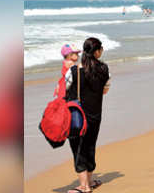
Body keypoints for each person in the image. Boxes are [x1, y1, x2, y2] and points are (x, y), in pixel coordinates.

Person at [65, 37, 111, 193]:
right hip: (95, 114)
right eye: (101, 48)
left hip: (76, 116)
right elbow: (105, 90)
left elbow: (66, 89)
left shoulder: (74, 71)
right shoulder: (105, 69)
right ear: (97, 52)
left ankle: (84, 186)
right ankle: (89, 182)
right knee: (90, 146)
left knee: (77, 148)